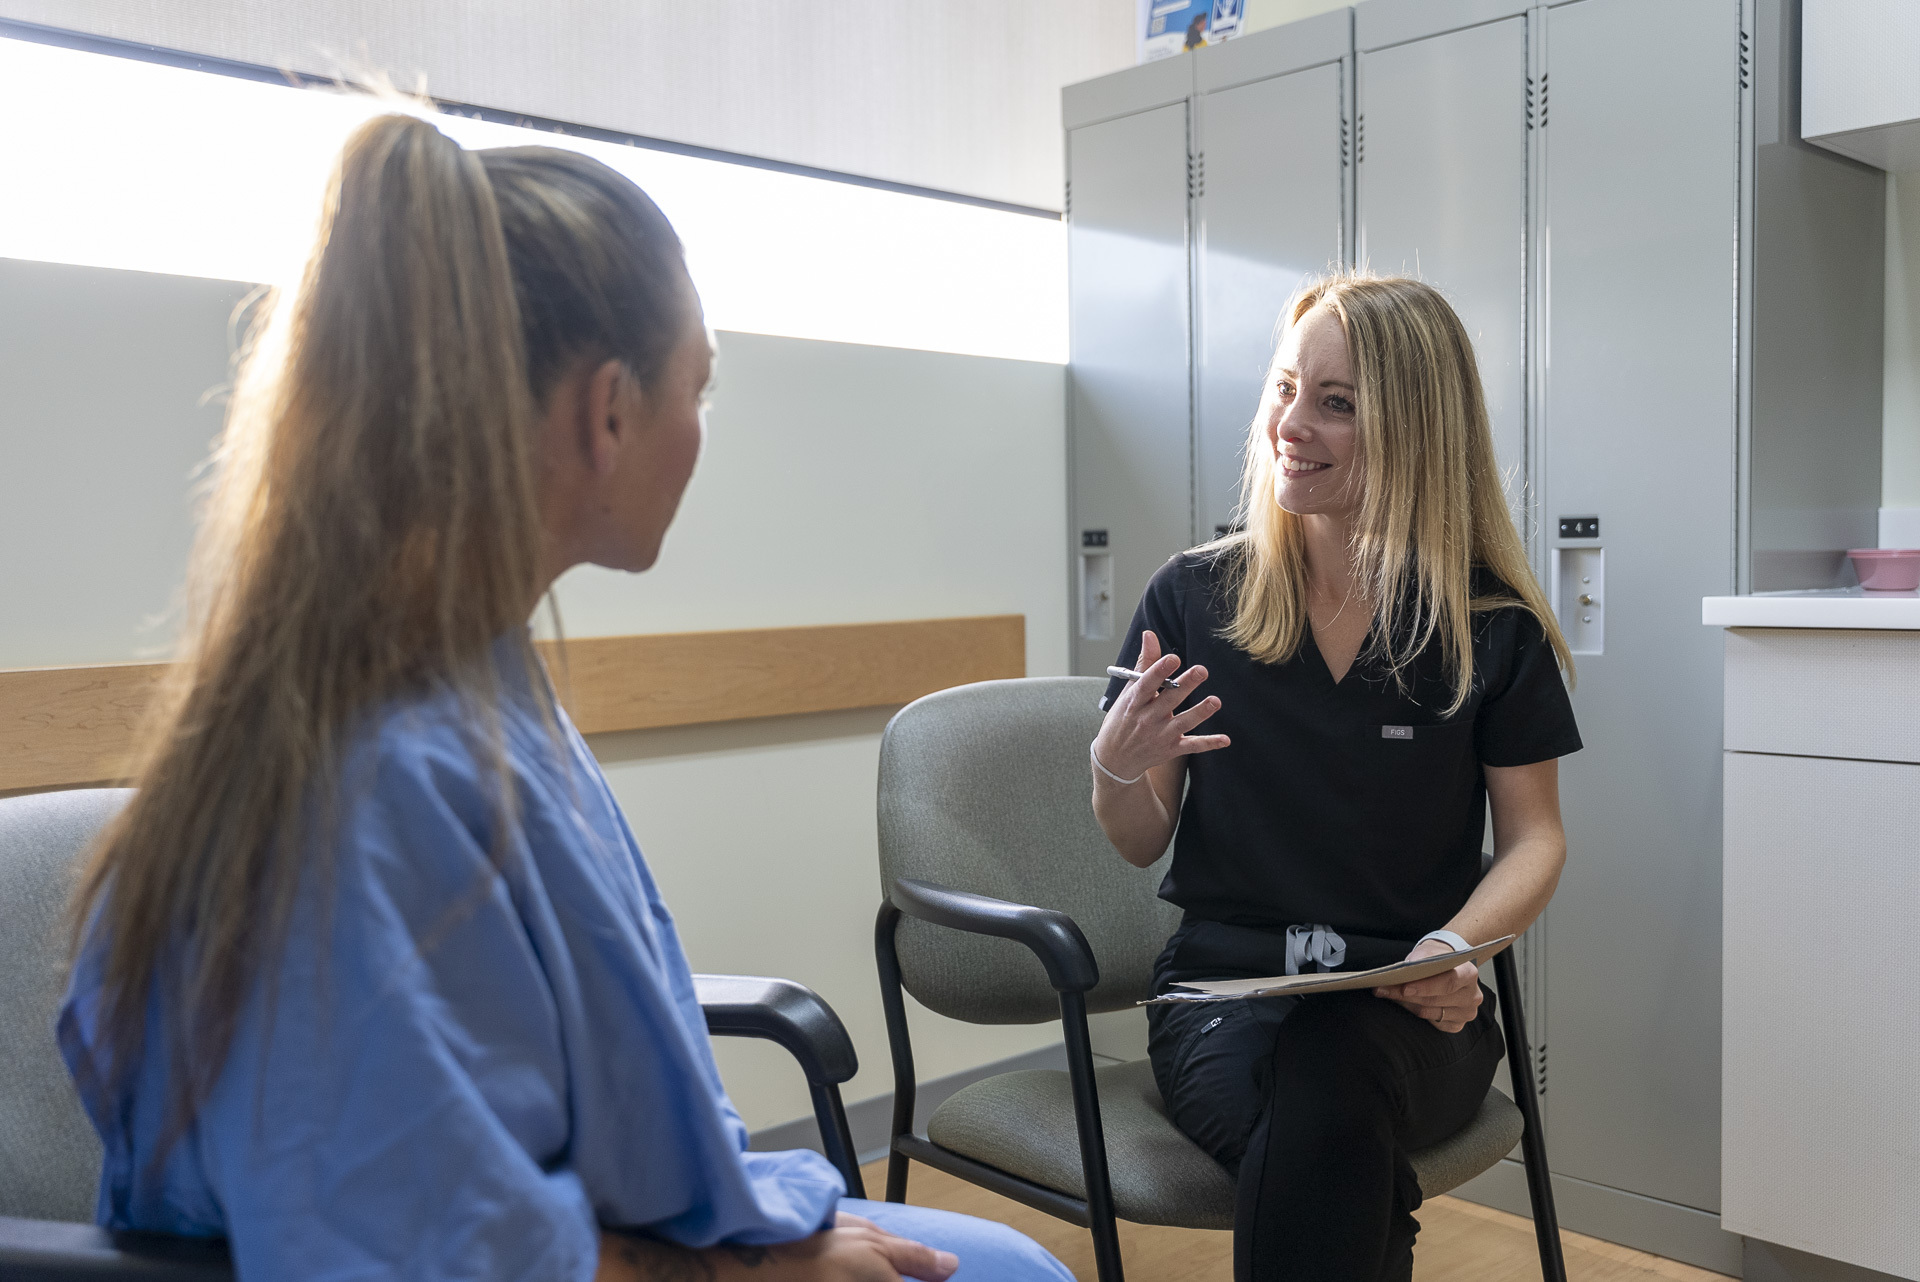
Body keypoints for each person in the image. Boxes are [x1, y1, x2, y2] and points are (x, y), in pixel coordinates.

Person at [58, 112, 1073, 1282]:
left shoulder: (466, 682)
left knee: (1003, 1264)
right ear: (607, 412)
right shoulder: (363, 786)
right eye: (700, 386)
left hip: (575, 1229)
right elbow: (406, 1253)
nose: (700, 426)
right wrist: (750, 1272)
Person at [1089, 273, 1581, 1281]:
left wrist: (1454, 947)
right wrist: (1114, 767)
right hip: (1225, 994)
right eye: (1284, 388)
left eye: (1337, 402)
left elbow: (1536, 838)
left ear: (1417, 429)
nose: (1290, 424)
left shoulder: (1492, 631)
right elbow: (1140, 836)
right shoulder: (1190, 598)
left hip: (1416, 1002)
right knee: (1328, 1129)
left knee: (1332, 1084)